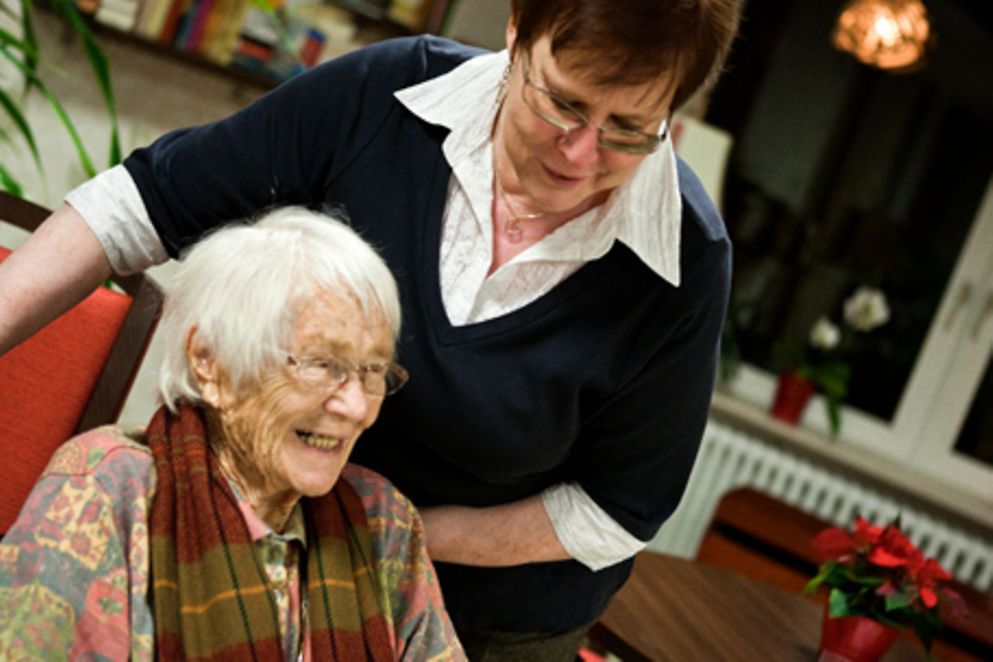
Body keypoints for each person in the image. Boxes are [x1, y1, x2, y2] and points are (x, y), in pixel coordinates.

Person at [0, 0, 743, 657]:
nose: (580, 155)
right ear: (517, 33)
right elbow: (144, 203)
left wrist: (384, 533)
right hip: (258, 519)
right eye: (563, 105)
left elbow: (618, 508)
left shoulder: (683, 261)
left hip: (482, 612)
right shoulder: (385, 97)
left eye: (628, 129)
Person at [0, 208, 465, 661]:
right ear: (210, 364)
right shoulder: (105, 493)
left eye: (373, 371)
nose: (357, 406)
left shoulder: (383, 523)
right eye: (322, 364)